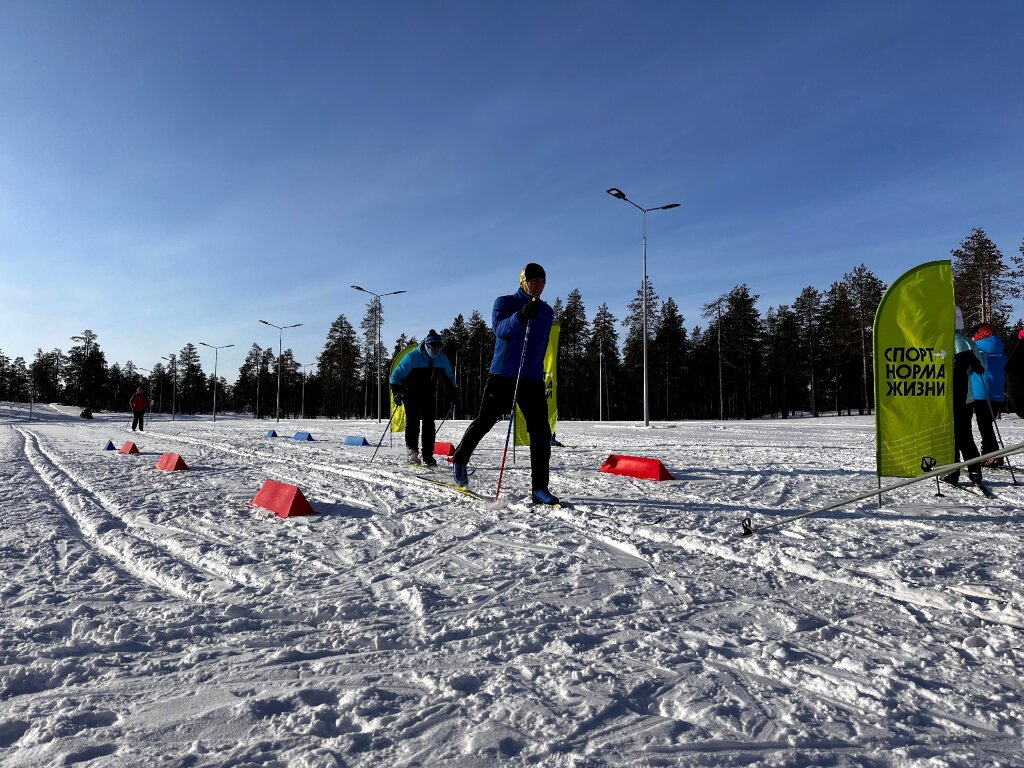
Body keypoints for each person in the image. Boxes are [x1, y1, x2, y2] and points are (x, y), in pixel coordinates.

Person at [452, 263, 559, 505]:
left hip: (531, 378)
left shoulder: (546, 311)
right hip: (503, 374)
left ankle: (540, 488)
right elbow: (500, 330)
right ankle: (460, 458)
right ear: (523, 281)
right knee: (486, 420)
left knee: (541, 432)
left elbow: (541, 344)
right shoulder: (504, 302)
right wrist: (521, 315)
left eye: (542, 281)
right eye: (534, 280)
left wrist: (539, 371)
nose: (538, 285)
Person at [389, 330, 459, 467]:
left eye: (439, 347)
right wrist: (397, 392)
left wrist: (454, 393)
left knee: (429, 424)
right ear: (427, 346)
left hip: (428, 394)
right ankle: (412, 453)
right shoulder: (413, 357)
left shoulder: (442, 358)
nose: (437, 351)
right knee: (413, 423)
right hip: (410, 393)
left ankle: (428, 455)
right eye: (434, 347)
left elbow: (449, 378)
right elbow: (395, 376)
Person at [944, 309, 986, 487]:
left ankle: (953, 472)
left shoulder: (937, 342)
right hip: (966, 397)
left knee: (950, 436)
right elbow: (981, 368)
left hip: (943, 398)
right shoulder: (968, 343)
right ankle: (975, 470)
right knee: (965, 434)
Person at [969, 322, 1006, 465]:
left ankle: (993, 455)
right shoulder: (1001, 347)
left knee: (984, 425)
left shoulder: (977, 348)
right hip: (997, 391)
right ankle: (989, 453)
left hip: (981, 391)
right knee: (987, 424)